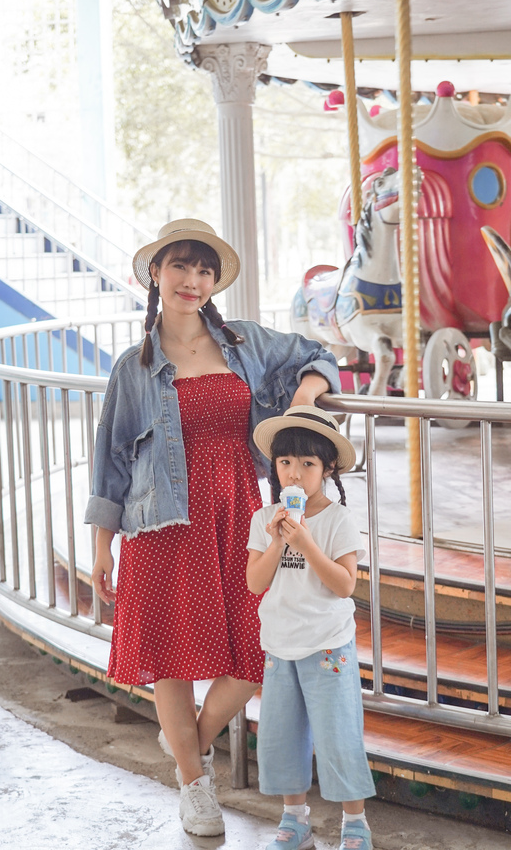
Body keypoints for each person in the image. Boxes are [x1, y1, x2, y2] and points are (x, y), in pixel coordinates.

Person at [85, 219, 340, 837]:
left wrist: (305, 397)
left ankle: (185, 757)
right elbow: (110, 463)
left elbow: (319, 353)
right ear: (156, 275)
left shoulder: (243, 342)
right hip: (159, 523)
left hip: (236, 516)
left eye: (203, 271)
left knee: (257, 652)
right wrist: (101, 549)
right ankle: (196, 786)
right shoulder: (133, 367)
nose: (192, 281)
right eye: (181, 267)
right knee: (170, 658)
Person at [247, 405, 376, 850]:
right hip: (280, 645)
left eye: (307, 464)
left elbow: (344, 584)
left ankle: (355, 824)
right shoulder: (264, 520)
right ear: (274, 467)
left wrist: (306, 542)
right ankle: (294, 818)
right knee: (281, 734)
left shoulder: (338, 519)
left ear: (328, 467)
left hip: (327, 646)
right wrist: (280, 540)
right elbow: (255, 581)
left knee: (338, 733)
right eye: (286, 463)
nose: (295, 474)